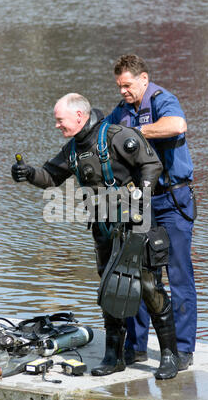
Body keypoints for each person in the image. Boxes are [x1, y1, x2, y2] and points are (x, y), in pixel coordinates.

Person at [11, 93, 180, 380]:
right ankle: (113, 357)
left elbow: (152, 164)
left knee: (150, 289)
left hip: (135, 225)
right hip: (103, 230)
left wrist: (143, 196)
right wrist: (27, 173)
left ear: (79, 116)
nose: (57, 125)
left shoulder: (117, 136)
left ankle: (169, 356)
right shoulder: (73, 149)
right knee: (110, 291)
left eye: (60, 120)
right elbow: (50, 176)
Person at [104, 55, 197, 371]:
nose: (123, 91)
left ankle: (183, 350)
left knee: (178, 274)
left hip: (173, 200)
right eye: (119, 86)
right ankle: (136, 347)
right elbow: (104, 136)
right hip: (140, 203)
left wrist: (137, 133)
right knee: (141, 275)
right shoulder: (121, 111)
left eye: (127, 85)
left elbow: (177, 125)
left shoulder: (161, 99)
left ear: (143, 79)